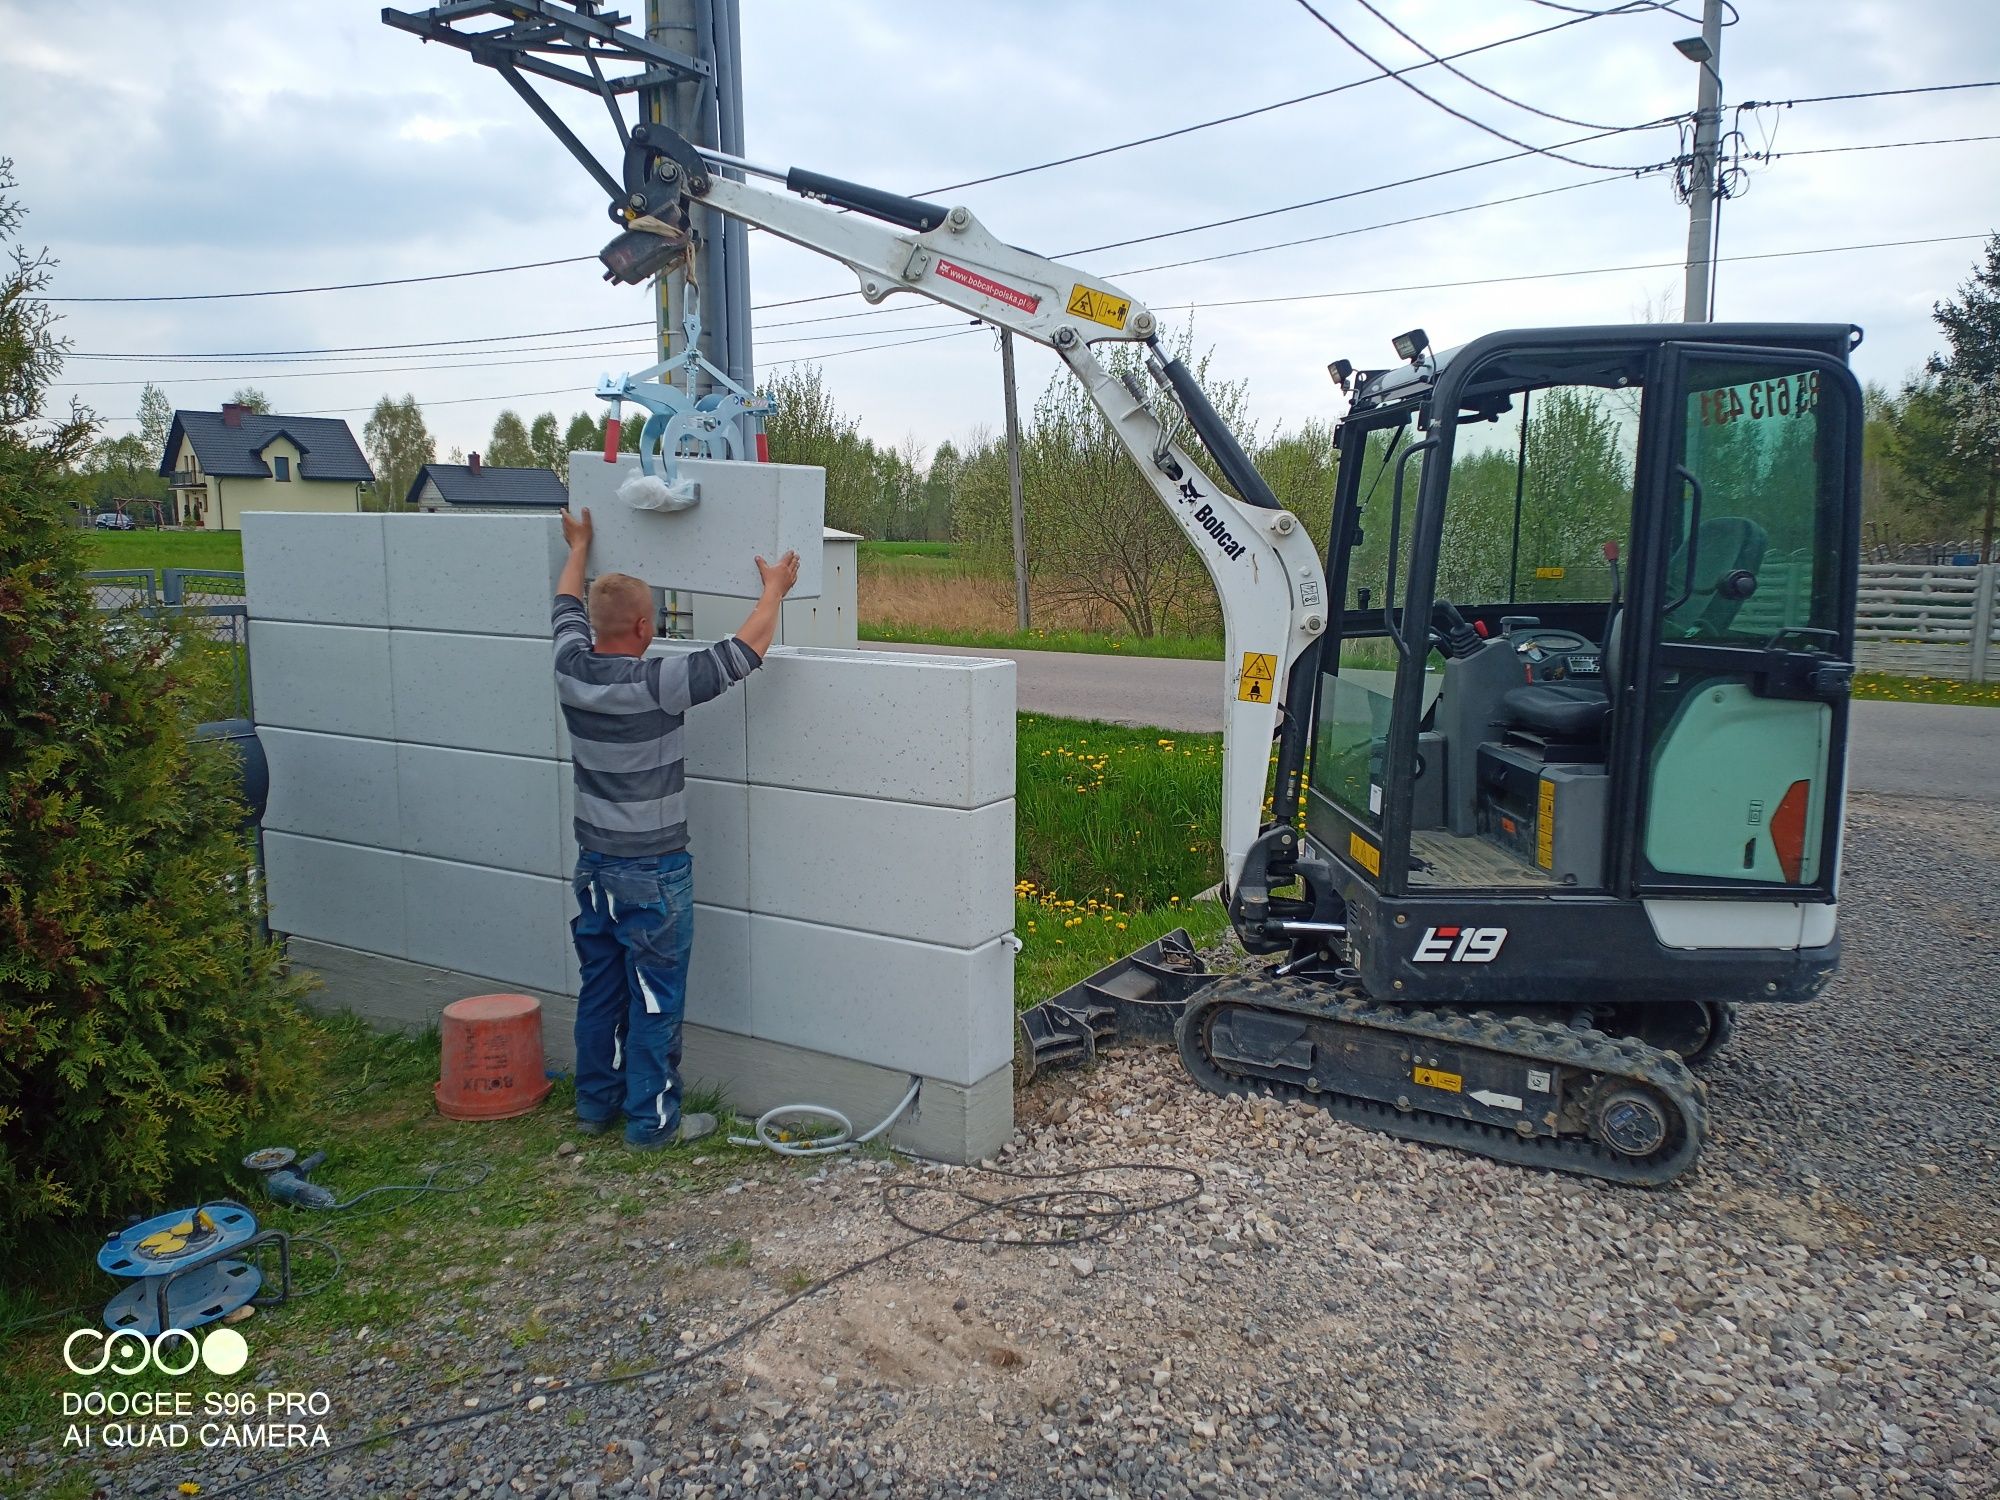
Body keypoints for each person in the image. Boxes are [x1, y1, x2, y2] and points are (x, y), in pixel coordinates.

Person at [553, 506, 800, 1148]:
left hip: (593, 871)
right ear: (645, 626)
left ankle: (594, 1107)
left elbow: (564, 606)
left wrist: (578, 547)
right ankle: (652, 1124)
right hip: (653, 875)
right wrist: (774, 587)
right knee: (655, 998)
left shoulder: (570, 672)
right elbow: (744, 651)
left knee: (601, 992)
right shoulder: (655, 683)